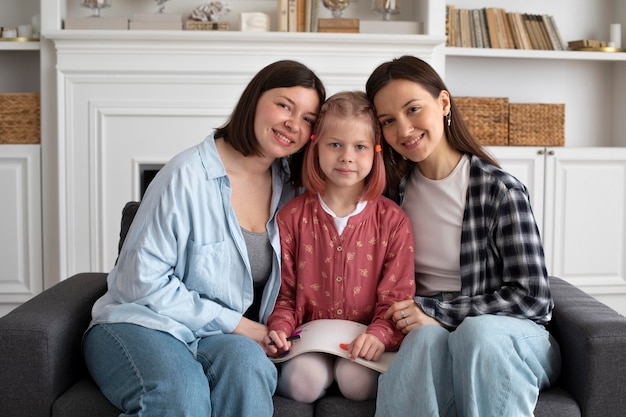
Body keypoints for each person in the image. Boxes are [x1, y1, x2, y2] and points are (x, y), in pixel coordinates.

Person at [82, 60, 326, 417]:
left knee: (249, 366)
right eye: (284, 105)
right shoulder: (185, 175)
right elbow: (141, 283)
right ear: (254, 100)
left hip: (213, 336)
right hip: (140, 322)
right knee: (181, 394)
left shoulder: (289, 188)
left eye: (308, 118)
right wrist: (241, 326)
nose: (293, 123)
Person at [364, 55, 561, 417]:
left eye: (413, 109)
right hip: (430, 330)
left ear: (443, 103)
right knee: (423, 339)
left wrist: (439, 311)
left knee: (477, 335)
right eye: (388, 121)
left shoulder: (499, 190)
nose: (404, 129)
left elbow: (533, 300)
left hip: (510, 337)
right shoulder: (393, 197)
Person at [265, 91, 416, 403]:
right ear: (316, 146)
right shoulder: (291, 217)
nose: (347, 156)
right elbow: (285, 295)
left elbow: (396, 298)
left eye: (359, 147)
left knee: (356, 383)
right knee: (303, 382)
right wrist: (280, 329)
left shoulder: (393, 221)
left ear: (375, 152)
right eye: (335, 145)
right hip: (308, 340)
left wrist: (379, 335)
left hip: (364, 341)